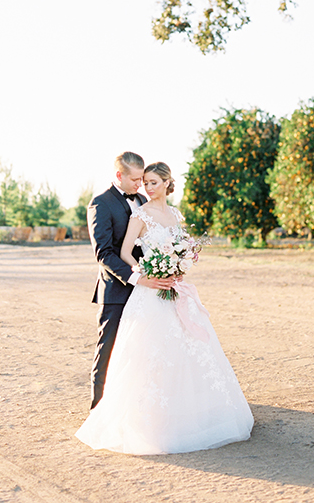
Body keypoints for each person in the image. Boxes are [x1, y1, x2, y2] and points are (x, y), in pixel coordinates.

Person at [76, 161, 254, 454]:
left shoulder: (175, 214)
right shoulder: (128, 210)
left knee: (185, 350)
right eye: (142, 182)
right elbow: (113, 253)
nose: (144, 187)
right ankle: (104, 411)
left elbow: (182, 247)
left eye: (150, 182)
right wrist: (147, 274)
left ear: (167, 183)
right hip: (139, 290)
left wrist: (180, 266)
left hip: (171, 289)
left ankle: (187, 412)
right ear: (125, 177)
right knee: (127, 352)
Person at [87, 152, 175, 410]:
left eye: (143, 180)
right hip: (116, 290)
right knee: (109, 349)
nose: (141, 185)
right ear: (119, 175)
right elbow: (103, 253)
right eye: (136, 180)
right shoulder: (100, 203)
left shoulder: (141, 201)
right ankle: (98, 409)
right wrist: (137, 278)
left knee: (143, 350)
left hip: (148, 291)